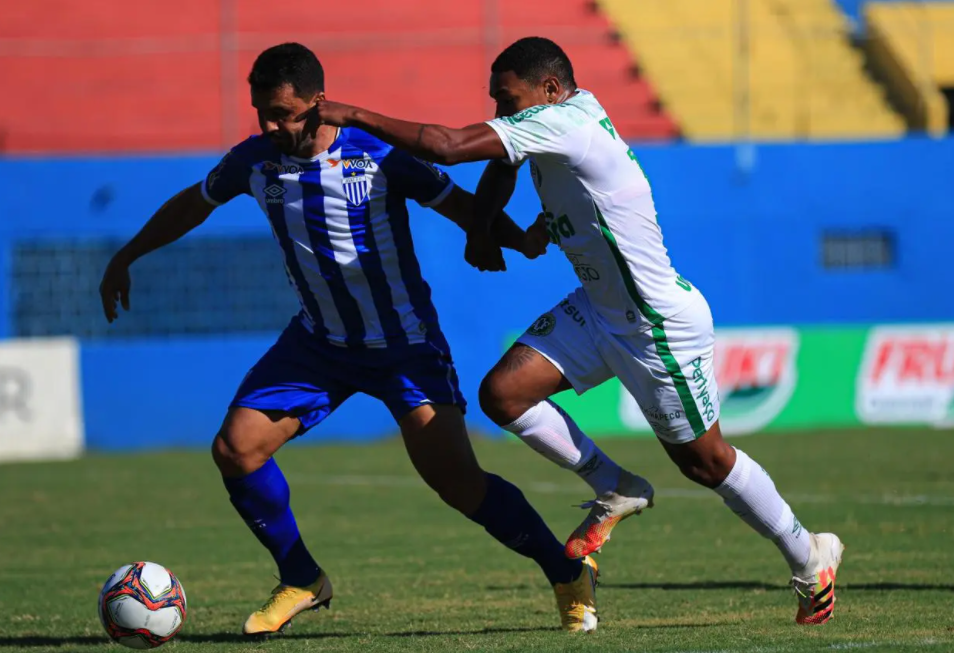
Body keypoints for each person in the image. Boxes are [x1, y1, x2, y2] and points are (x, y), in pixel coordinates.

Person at [312, 36, 845, 625]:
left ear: (547, 90)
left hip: (654, 325)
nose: (499, 112)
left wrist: (354, 114)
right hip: (597, 309)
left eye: (506, 99)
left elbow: (448, 146)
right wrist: (482, 229)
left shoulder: (566, 122)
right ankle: (616, 485)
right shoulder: (547, 123)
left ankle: (808, 553)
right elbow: (499, 167)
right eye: (494, 100)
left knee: (705, 463)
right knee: (503, 394)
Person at [98, 42, 599, 636]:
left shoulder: (379, 154)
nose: (270, 124)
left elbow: (458, 203)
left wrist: (514, 240)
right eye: (262, 112)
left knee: (460, 485)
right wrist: (127, 255)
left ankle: (567, 572)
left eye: (283, 113)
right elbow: (194, 204)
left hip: (405, 346)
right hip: (319, 344)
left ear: (318, 102)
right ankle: (301, 577)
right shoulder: (254, 161)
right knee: (236, 448)